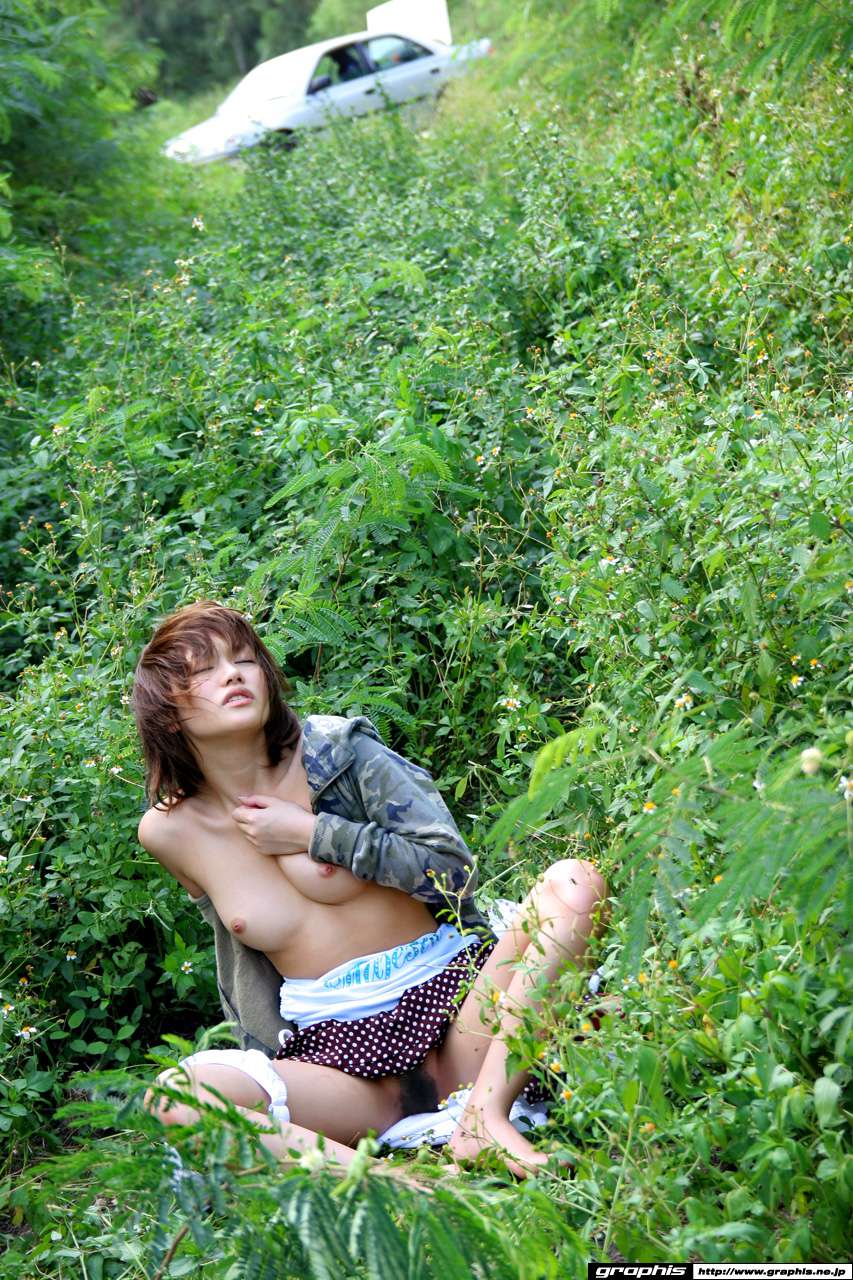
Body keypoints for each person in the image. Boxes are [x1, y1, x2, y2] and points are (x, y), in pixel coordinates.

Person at [134, 601, 606, 1177]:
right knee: (174, 1098)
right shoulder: (170, 832)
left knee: (576, 883)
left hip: (460, 1008)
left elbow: (452, 870)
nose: (232, 674)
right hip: (340, 1061)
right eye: (204, 670)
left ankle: (485, 1117)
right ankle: (400, 1190)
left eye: (244, 659)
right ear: (167, 711)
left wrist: (313, 834)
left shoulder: (339, 752)